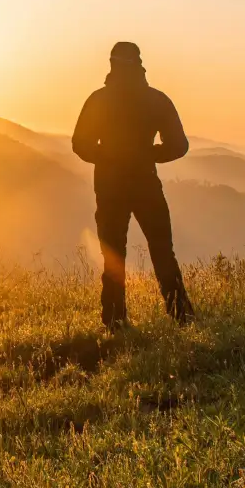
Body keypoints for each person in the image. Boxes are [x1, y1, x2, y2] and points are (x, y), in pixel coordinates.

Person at [71, 41, 193, 326]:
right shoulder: (156, 99)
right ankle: (182, 317)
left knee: (113, 254)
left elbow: (80, 144)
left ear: (111, 65)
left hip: (109, 186)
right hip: (146, 184)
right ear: (139, 64)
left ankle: (115, 321)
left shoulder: (99, 100)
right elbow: (179, 146)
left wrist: (107, 157)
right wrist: (147, 153)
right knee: (163, 251)